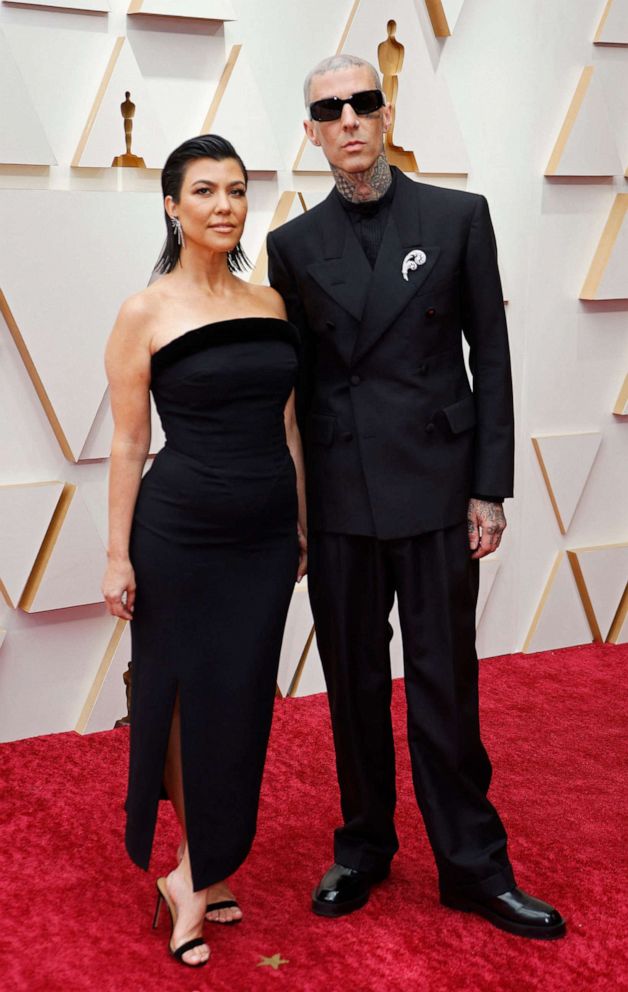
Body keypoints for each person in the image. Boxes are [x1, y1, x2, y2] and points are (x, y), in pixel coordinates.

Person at [267, 54, 565, 939]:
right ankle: (362, 847)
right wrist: (298, 514)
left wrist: (490, 488)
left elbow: (493, 359)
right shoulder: (291, 246)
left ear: (386, 115)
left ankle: (473, 867)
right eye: (331, 108)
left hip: (439, 491)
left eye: (363, 102)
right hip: (342, 496)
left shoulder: (458, 217)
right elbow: (295, 392)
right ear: (312, 132)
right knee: (353, 685)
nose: (350, 118)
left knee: (445, 686)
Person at [102, 134, 307, 967]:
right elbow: (126, 442)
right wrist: (117, 557)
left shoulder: (270, 305)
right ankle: (196, 873)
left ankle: (204, 862)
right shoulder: (144, 311)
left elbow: (289, 424)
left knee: (245, 699)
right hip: (178, 530)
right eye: (205, 192)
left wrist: (301, 522)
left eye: (235, 190)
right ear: (171, 206)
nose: (224, 205)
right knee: (184, 698)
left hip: (263, 535)